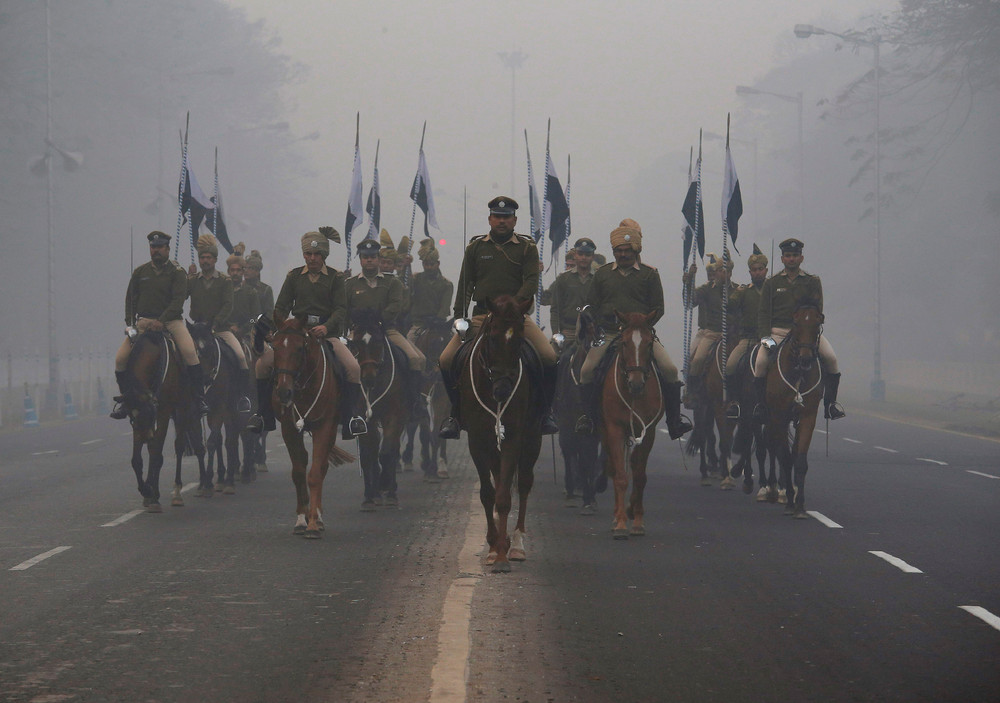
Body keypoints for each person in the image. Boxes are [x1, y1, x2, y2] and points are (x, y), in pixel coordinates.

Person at [438, 196, 559, 438]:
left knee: (548, 357)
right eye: (497, 217)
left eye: (506, 218)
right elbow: (466, 284)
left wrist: (512, 307)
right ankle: (455, 413)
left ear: (514, 221)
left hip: (515, 318)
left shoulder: (527, 248)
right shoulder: (476, 248)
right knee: (446, 359)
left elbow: (531, 281)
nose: (502, 221)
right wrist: (460, 317)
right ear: (490, 219)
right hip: (483, 316)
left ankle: (545, 412)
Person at [574, 222, 692, 440]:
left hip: (640, 334)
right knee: (586, 371)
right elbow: (591, 303)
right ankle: (587, 418)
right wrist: (591, 315)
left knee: (670, 369)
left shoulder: (649, 274)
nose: (622, 254)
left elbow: (659, 308)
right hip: (609, 333)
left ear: (636, 251)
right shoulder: (602, 274)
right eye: (618, 251)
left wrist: (641, 325)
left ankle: (674, 420)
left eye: (627, 251)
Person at [246, 229, 367, 438]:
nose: (312, 258)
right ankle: (262, 414)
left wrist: (326, 327)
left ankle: (351, 418)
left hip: (326, 334)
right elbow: (282, 307)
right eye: (309, 254)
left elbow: (340, 309)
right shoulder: (294, 276)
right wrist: (279, 329)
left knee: (353, 368)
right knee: (261, 365)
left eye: (317, 254)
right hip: (297, 334)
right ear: (304, 255)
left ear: (323, 256)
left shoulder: (335, 278)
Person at [111, 230, 208, 418]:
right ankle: (127, 398)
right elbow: (130, 300)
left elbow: (178, 301)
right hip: (143, 322)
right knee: (120, 359)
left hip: (171, 322)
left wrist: (161, 321)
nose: (156, 250)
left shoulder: (177, 272)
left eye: (160, 247)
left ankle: (199, 397)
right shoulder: (140, 272)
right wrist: (130, 324)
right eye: (153, 247)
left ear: (167, 249)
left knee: (190, 352)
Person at [753, 238, 844, 420]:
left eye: (795, 256)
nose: (791, 259)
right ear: (782, 259)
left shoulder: (812, 281)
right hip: (778, 333)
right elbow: (763, 314)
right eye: (788, 256)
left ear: (801, 258)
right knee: (760, 364)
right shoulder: (772, 283)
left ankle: (830, 404)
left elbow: (818, 311)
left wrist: (812, 332)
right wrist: (765, 338)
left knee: (832, 359)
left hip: (806, 335)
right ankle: (760, 405)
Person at [346, 238, 427, 411]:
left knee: (416, 359)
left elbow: (395, 306)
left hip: (387, 330)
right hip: (358, 332)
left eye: (373, 257)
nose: (369, 260)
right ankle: (342, 406)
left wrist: (378, 320)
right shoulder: (350, 284)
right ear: (360, 259)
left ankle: (414, 402)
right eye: (365, 257)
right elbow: (344, 308)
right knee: (339, 361)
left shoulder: (392, 283)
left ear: (378, 259)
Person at [187, 234, 251, 410]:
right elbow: (180, 296)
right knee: (184, 354)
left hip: (220, 329)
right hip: (198, 330)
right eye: (202, 257)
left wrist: (215, 324)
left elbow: (228, 305)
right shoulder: (192, 281)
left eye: (209, 257)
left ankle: (242, 396)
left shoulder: (225, 280)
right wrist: (186, 277)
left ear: (215, 259)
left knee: (240, 356)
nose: (205, 260)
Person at [682, 252, 740, 404]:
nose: (722, 274)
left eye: (725, 271)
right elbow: (690, 302)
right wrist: (688, 282)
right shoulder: (707, 289)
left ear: (730, 273)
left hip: (733, 334)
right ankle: (693, 391)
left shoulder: (738, 290)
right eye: (720, 271)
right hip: (712, 332)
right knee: (698, 359)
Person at [724, 244, 768, 417]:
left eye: (760, 269)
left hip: (767, 338)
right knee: (730, 365)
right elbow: (730, 306)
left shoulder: (772, 289)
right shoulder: (743, 291)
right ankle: (734, 401)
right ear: (750, 272)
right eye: (753, 270)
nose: (757, 272)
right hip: (747, 338)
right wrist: (727, 285)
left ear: (765, 270)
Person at [549, 238, 597, 344]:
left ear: (593, 257)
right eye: (580, 254)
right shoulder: (563, 279)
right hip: (567, 333)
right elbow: (555, 310)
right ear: (575, 255)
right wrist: (556, 334)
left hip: (591, 333)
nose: (583, 258)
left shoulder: (599, 279)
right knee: (549, 357)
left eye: (587, 254)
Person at [407, 237, 453, 329]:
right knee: (409, 341)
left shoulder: (447, 284)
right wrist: (406, 266)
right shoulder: (416, 279)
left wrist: (437, 320)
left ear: (438, 263)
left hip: (438, 325)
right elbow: (405, 288)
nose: (429, 267)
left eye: (432, 264)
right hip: (418, 324)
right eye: (426, 264)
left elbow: (445, 307)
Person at [226, 244, 262, 342]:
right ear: (228, 271)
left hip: (246, 335)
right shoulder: (222, 291)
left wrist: (242, 329)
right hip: (224, 332)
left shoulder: (251, 292)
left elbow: (255, 318)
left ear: (242, 272)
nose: (235, 273)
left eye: (238, 270)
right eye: (232, 270)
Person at [243, 248, 274, 317]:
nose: (246, 271)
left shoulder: (265, 290)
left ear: (257, 271)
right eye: (245, 268)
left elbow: (269, 313)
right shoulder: (240, 287)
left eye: (250, 268)